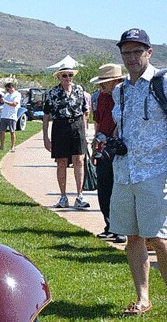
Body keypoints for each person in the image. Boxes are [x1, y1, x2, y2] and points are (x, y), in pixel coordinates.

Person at [109, 28, 167, 322]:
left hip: (156, 172)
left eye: (136, 51)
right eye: (126, 52)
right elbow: (123, 127)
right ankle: (143, 298)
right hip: (125, 172)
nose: (131, 57)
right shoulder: (120, 90)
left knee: (161, 238)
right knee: (133, 237)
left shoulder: (165, 81)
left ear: (149, 52)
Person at [42, 66, 91, 209]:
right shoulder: (53, 92)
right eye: (64, 76)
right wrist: (45, 136)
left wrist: (85, 130)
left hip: (77, 125)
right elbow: (46, 115)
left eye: (70, 75)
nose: (68, 78)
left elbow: (85, 112)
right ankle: (63, 196)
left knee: (79, 160)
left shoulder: (79, 90)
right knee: (61, 161)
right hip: (60, 126)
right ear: (59, 77)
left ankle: (80, 195)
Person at [89, 64, 126, 243]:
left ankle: (121, 229)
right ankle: (109, 226)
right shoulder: (101, 97)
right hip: (103, 146)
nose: (101, 86)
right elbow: (98, 121)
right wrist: (96, 140)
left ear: (116, 81)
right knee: (103, 188)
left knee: (117, 189)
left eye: (105, 82)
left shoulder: (124, 97)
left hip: (119, 148)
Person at [0, 81, 22, 152]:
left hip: (12, 116)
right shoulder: (7, 95)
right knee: (2, 131)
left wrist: (5, 101)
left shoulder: (17, 94)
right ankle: (2, 146)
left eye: (8, 89)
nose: (7, 91)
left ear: (12, 88)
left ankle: (13, 146)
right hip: (4, 115)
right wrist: (1, 100)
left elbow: (14, 104)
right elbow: (2, 103)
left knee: (12, 131)